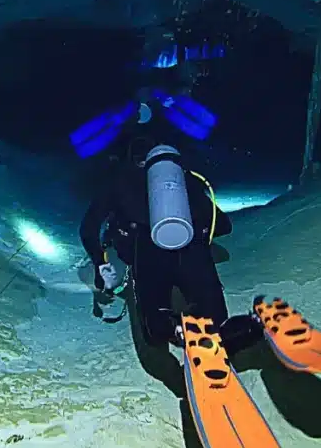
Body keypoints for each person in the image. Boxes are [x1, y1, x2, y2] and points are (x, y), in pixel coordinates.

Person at [79, 131, 260, 351]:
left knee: (154, 330)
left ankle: (171, 327)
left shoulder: (119, 180)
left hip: (146, 251)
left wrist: (100, 263)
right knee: (217, 321)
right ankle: (246, 328)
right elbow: (223, 224)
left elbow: (88, 230)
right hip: (192, 248)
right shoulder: (185, 181)